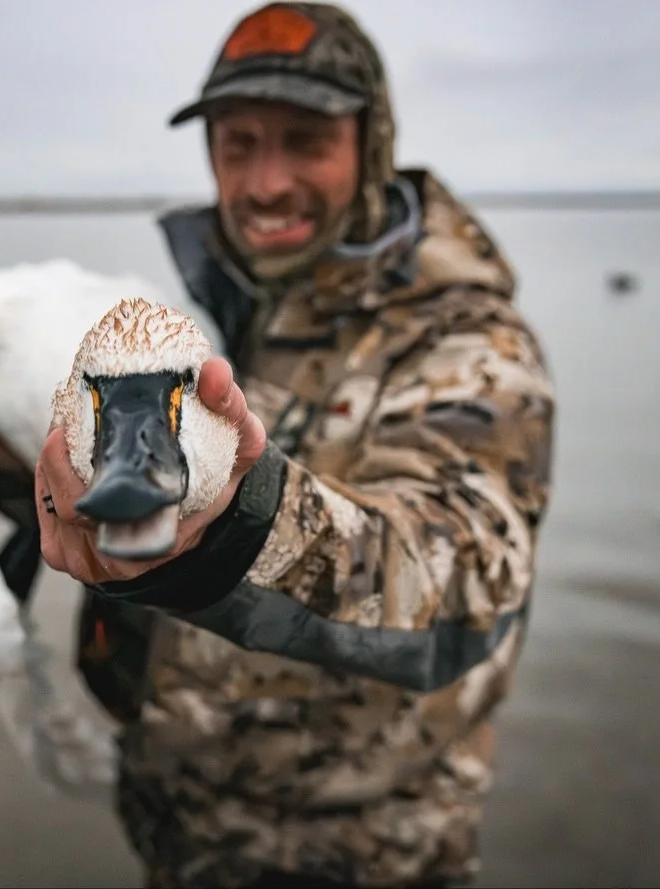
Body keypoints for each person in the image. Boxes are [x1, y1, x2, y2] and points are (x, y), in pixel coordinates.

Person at [32, 2, 556, 887]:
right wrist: (27, 478)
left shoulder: (471, 344)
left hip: (360, 860)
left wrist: (239, 524)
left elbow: (463, 578)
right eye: (239, 146)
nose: (265, 183)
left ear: (371, 144)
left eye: (304, 141)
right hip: (182, 840)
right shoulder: (224, 321)